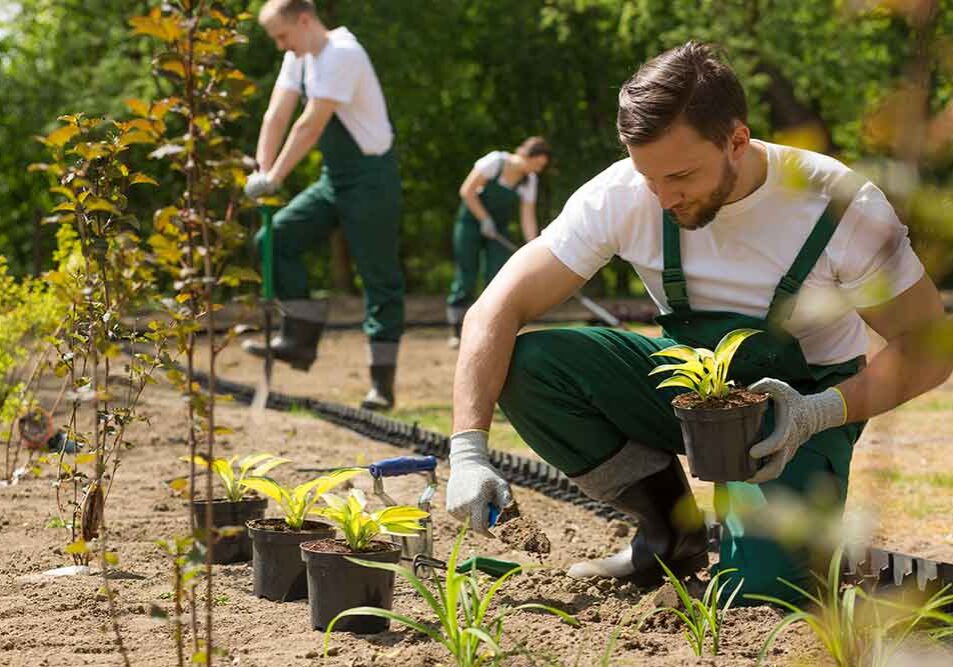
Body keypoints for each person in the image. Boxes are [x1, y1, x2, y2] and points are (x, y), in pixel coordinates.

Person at [443, 42, 951, 602]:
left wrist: (815, 413)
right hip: (690, 389)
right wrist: (467, 451)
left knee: (758, 593)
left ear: (737, 139)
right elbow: (495, 306)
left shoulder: (836, 205)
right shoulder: (625, 193)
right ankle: (669, 532)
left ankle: (770, 530)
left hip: (801, 409)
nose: (662, 197)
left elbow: (928, 346)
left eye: (680, 176)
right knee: (531, 366)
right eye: (649, 177)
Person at [242, 0, 404, 410]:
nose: (281, 46)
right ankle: (298, 341)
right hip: (334, 180)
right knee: (273, 239)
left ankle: (381, 385)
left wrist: (275, 178)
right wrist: (262, 170)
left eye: (282, 36)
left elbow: (309, 124)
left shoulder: (342, 53)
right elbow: (276, 115)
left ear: (305, 20)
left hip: (371, 180)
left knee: (378, 278)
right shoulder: (300, 57)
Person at [446, 138, 551, 348]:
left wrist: (534, 246)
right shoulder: (495, 162)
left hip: (498, 232)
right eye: (537, 164)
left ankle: (486, 330)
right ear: (527, 155)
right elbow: (467, 191)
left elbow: (527, 216)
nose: (537, 170)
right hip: (471, 223)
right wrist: (484, 219)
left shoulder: (529, 181)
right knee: (466, 275)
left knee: (496, 276)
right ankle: (456, 331)